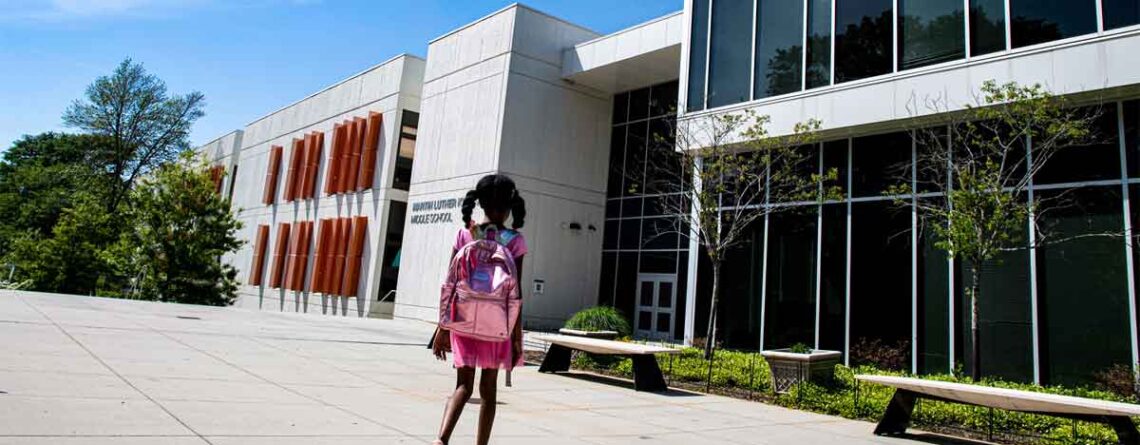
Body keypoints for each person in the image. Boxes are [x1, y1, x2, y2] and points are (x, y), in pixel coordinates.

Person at [432, 174, 527, 445]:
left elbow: (449, 285)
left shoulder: (465, 234)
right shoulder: (514, 241)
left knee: (462, 385)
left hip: (462, 322)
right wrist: (517, 338)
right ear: (510, 208)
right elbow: (516, 295)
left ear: (481, 205)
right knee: (489, 390)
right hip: (496, 326)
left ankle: (442, 439)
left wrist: (442, 329)